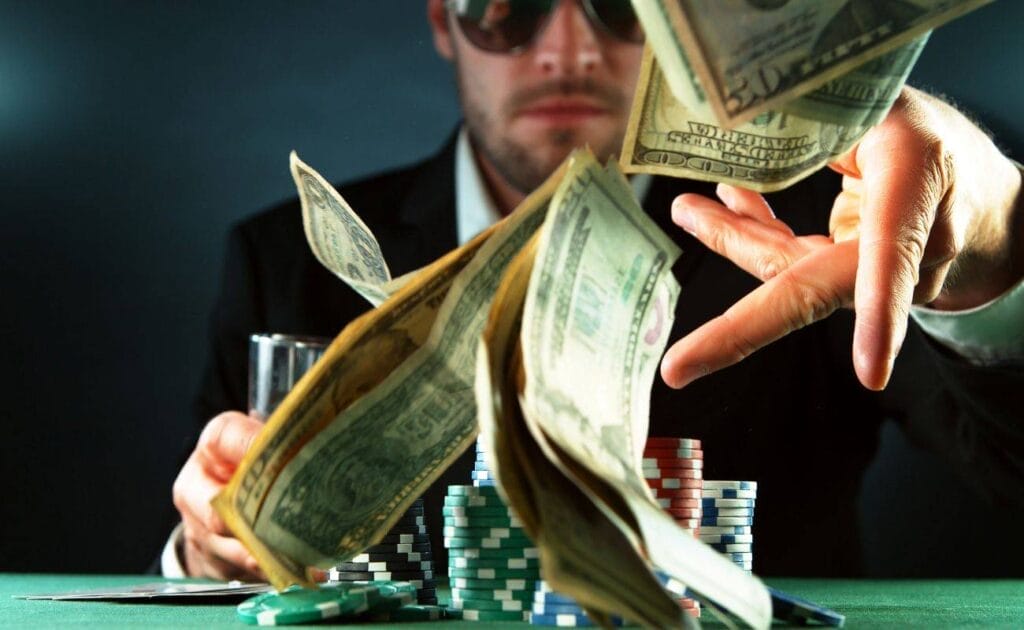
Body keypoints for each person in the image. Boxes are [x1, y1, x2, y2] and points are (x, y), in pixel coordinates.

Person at [164, 0, 1024, 582]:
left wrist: (998, 253)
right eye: (506, 8)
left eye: (615, 4)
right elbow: (205, 528)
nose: (568, 48)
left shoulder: (825, 237)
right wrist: (210, 546)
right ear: (443, 22)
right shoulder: (284, 259)